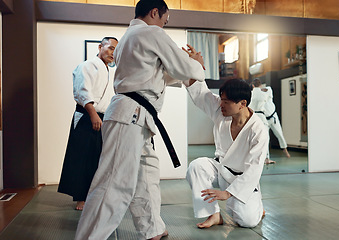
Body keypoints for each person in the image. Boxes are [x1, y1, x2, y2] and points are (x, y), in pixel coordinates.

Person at [74, 1, 205, 239]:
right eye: (166, 17)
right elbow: (185, 68)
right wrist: (195, 62)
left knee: (146, 175)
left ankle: (152, 228)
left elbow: (156, 74)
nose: (166, 22)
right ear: (155, 12)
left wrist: (187, 71)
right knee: (114, 183)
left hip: (136, 117)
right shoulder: (150, 32)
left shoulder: (130, 36)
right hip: (130, 116)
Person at [184, 75, 269, 229]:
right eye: (221, 99)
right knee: (197, 166)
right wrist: (193, 67)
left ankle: (257, 206)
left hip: (242, 179)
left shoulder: (258, 130)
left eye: (226, 102)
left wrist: (228, 193)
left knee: (248, 221)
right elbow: (200, 94)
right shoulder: (221, 110)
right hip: (220, 168)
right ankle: (214, 214)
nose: (221, 104)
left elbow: (254, 168)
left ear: (242, 103)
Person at [58, 37, 118, 211]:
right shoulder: (87, 66)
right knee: (82, 156)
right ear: (100, 47)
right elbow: (82, 91)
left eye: (116, 50)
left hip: (103, 117)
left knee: (98, 158)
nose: (112, 53)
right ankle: (81, 198)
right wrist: (92, 114)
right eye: (110, 48)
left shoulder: (108, 70)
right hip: (87, 115)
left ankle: (95, 195)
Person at [249, 78, 291, 164]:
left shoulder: (268, 90)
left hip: (273, 116)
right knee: (266, 138)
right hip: (264, 118)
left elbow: (264, 90)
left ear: (253, 86)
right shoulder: (254, 95)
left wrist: (256, 89)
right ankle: (267, 158)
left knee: (279, 134)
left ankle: (285, 150)